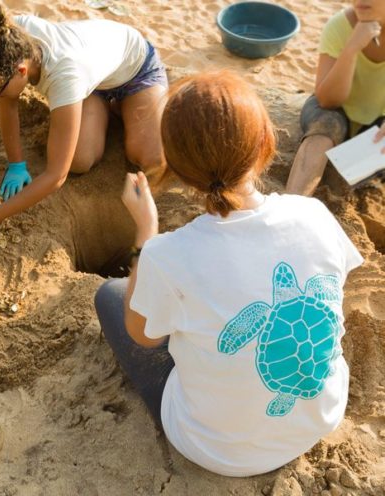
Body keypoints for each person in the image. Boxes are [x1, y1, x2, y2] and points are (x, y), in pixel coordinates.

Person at [95, 72, 363, 476]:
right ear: (263, 144)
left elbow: (143, 335)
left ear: (178, 168)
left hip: (218, 450)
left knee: (111, 295)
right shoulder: (313, 215)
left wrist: (145, 236)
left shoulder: (167, 255)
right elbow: (332, 285)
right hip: (321, 416)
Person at [0, 3, 168, 232]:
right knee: (79, 160)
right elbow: (8, 101)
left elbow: (56, 176)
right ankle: (111, 107)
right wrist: (16, 164)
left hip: (137, 70)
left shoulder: (64, 75)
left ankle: (138, 103)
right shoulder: (9, 38)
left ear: (21, 71)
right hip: (93, 84)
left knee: (149, 156)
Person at [286, 0, 385, 196]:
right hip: (333, 111)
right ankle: (291, 207)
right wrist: (351, 49)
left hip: (376, 124)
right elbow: (327, 100)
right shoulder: (338, 26)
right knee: (326, 124)